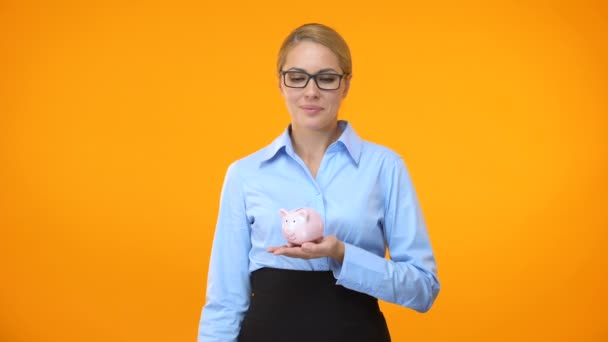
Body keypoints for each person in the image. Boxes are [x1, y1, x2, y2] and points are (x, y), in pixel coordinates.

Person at [197, 23, 440, 342]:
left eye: (326, 78)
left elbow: (423, 289)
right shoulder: (245, 174)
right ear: (281, 83)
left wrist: (342, 253)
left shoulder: (384, 167)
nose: (310, 92)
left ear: (346, 84)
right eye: (297, 77)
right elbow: (224, 301)